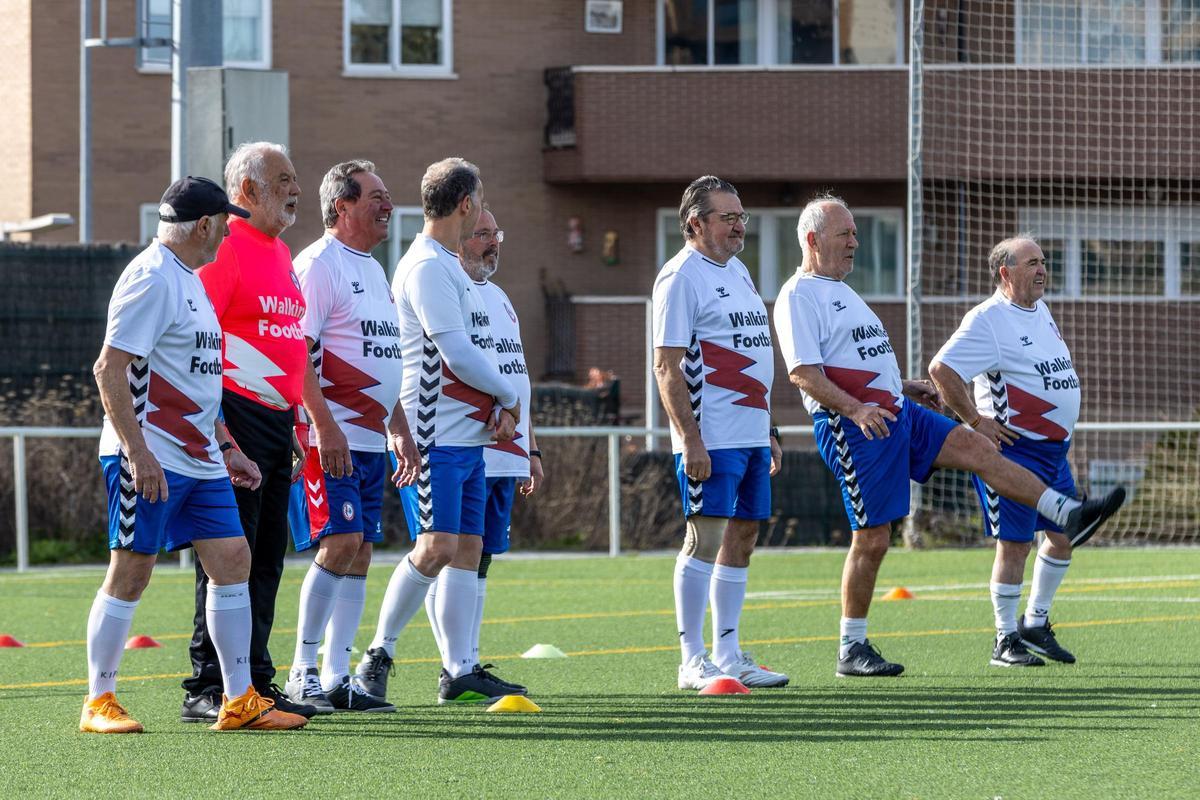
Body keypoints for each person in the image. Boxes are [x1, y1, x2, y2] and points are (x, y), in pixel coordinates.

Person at [771, 194, 1126, 678]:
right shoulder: (798, 295)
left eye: (855, 232)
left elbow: (854, 363)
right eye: (845, 234)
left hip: (900, 414)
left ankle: (1065, 510)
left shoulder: (842, 290)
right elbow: (803, 374)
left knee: (979, 446)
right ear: (813, 240)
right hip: (855, 427)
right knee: (874, 538)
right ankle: (851, 648)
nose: (856, 241)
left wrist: (904, 389)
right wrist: (855, 408)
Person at [83, 176, 306, 733]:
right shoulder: (152, 278)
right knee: (132, 571)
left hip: (201, 457)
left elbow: (199, 380)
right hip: (151, 455)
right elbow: (109, 369)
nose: (229, 230)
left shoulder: (191, 281)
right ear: (204, 226)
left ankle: (239, 700)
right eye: (224, 221)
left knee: (233, 560)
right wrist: (138, 454)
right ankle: (99, 702)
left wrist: (228, 447)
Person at [353, 158, 522, 706]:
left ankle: (460, 669)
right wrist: (509, 395)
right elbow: (457, 354)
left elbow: (475, 354)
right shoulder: (426, 265)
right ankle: (376, 655)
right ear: (467, 203)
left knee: (467, 549)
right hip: (431, 435)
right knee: (436, 547)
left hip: (466, 437)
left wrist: (501, 405)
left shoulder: (449, 264)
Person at [181, 142, 316, 722]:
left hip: (274, 420)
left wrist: (298, 417)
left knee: (266, 554)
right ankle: (210, 685)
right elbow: (195, 335)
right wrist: (218, 430)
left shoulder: (281, 252)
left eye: (295, 177)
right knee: (226, 553)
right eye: (283, 179)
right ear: (247, 192)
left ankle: (254, 678)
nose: (295, 189)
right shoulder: (228, 248)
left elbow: (287, 344)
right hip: (232, 415)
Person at [282, 161, 418, 713]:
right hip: (329, 436)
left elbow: (384, 359)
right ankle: (302, 672)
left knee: (361, 551)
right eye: (377, 197)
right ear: (342, 207)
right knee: (338, 545)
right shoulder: (318, 264)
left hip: (368, 439)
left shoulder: (373, 267)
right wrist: (322, 424)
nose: (388, 205)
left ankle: (339, 678)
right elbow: (297, 353)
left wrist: (400, 427)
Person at [651, 176, 788, 691]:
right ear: (695, 223)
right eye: (727, 217)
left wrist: (768, 428)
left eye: (741, 217)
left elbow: (754, 355)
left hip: (750, 433)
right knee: (703, 538)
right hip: (711, 436)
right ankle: (692, 660)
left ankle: (729, 653)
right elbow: (666, 366)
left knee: (744, 536)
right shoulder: (680, 277)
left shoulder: (739, 272)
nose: (738, 226)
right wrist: (689, 439)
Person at [929, 236, 1088, 667]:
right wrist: (977, 423)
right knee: (1014, 545)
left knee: (1061, 538)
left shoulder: (1038, 310)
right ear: (1005, 272)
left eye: (1043, 261)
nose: (1042, 270)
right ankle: (1004, 639)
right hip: (1013, 454)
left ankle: (1035, 622)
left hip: (1053, 453)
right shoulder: (988, 319)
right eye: (1031, 263)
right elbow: (941, 369)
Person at [410, 208, 538, 696]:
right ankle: (453, 663)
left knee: (479, 557)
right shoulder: (446, 290)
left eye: (496, 233)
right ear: (461, 238)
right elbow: (461, 363)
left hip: (508, 447)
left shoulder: (502, 298)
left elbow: (517, 374)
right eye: (482, 233)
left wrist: (533, 447)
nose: (492, 242)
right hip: (462, 440)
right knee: (446, 552)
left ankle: (467, 660)